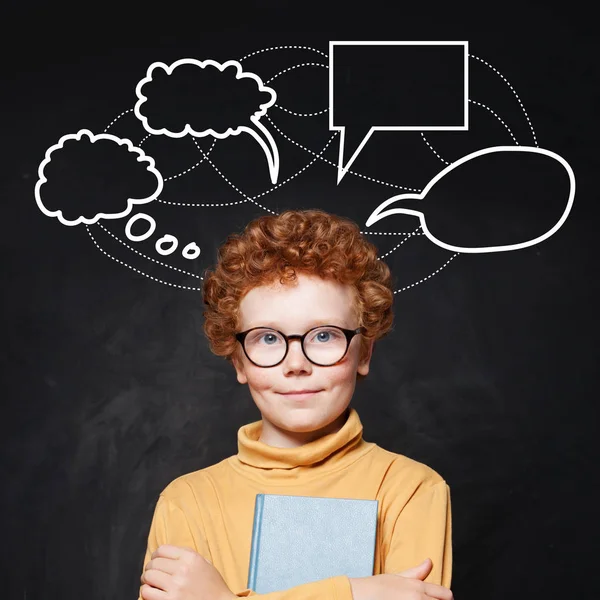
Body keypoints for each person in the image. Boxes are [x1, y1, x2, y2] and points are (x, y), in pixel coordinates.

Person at [138, 209, 453, 600]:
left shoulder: (410, 490)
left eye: (324, 336)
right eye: (268, 339)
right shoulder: (186, 501)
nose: (296, 364)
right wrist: (354, 593)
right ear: (238, 360)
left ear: (364, 353)